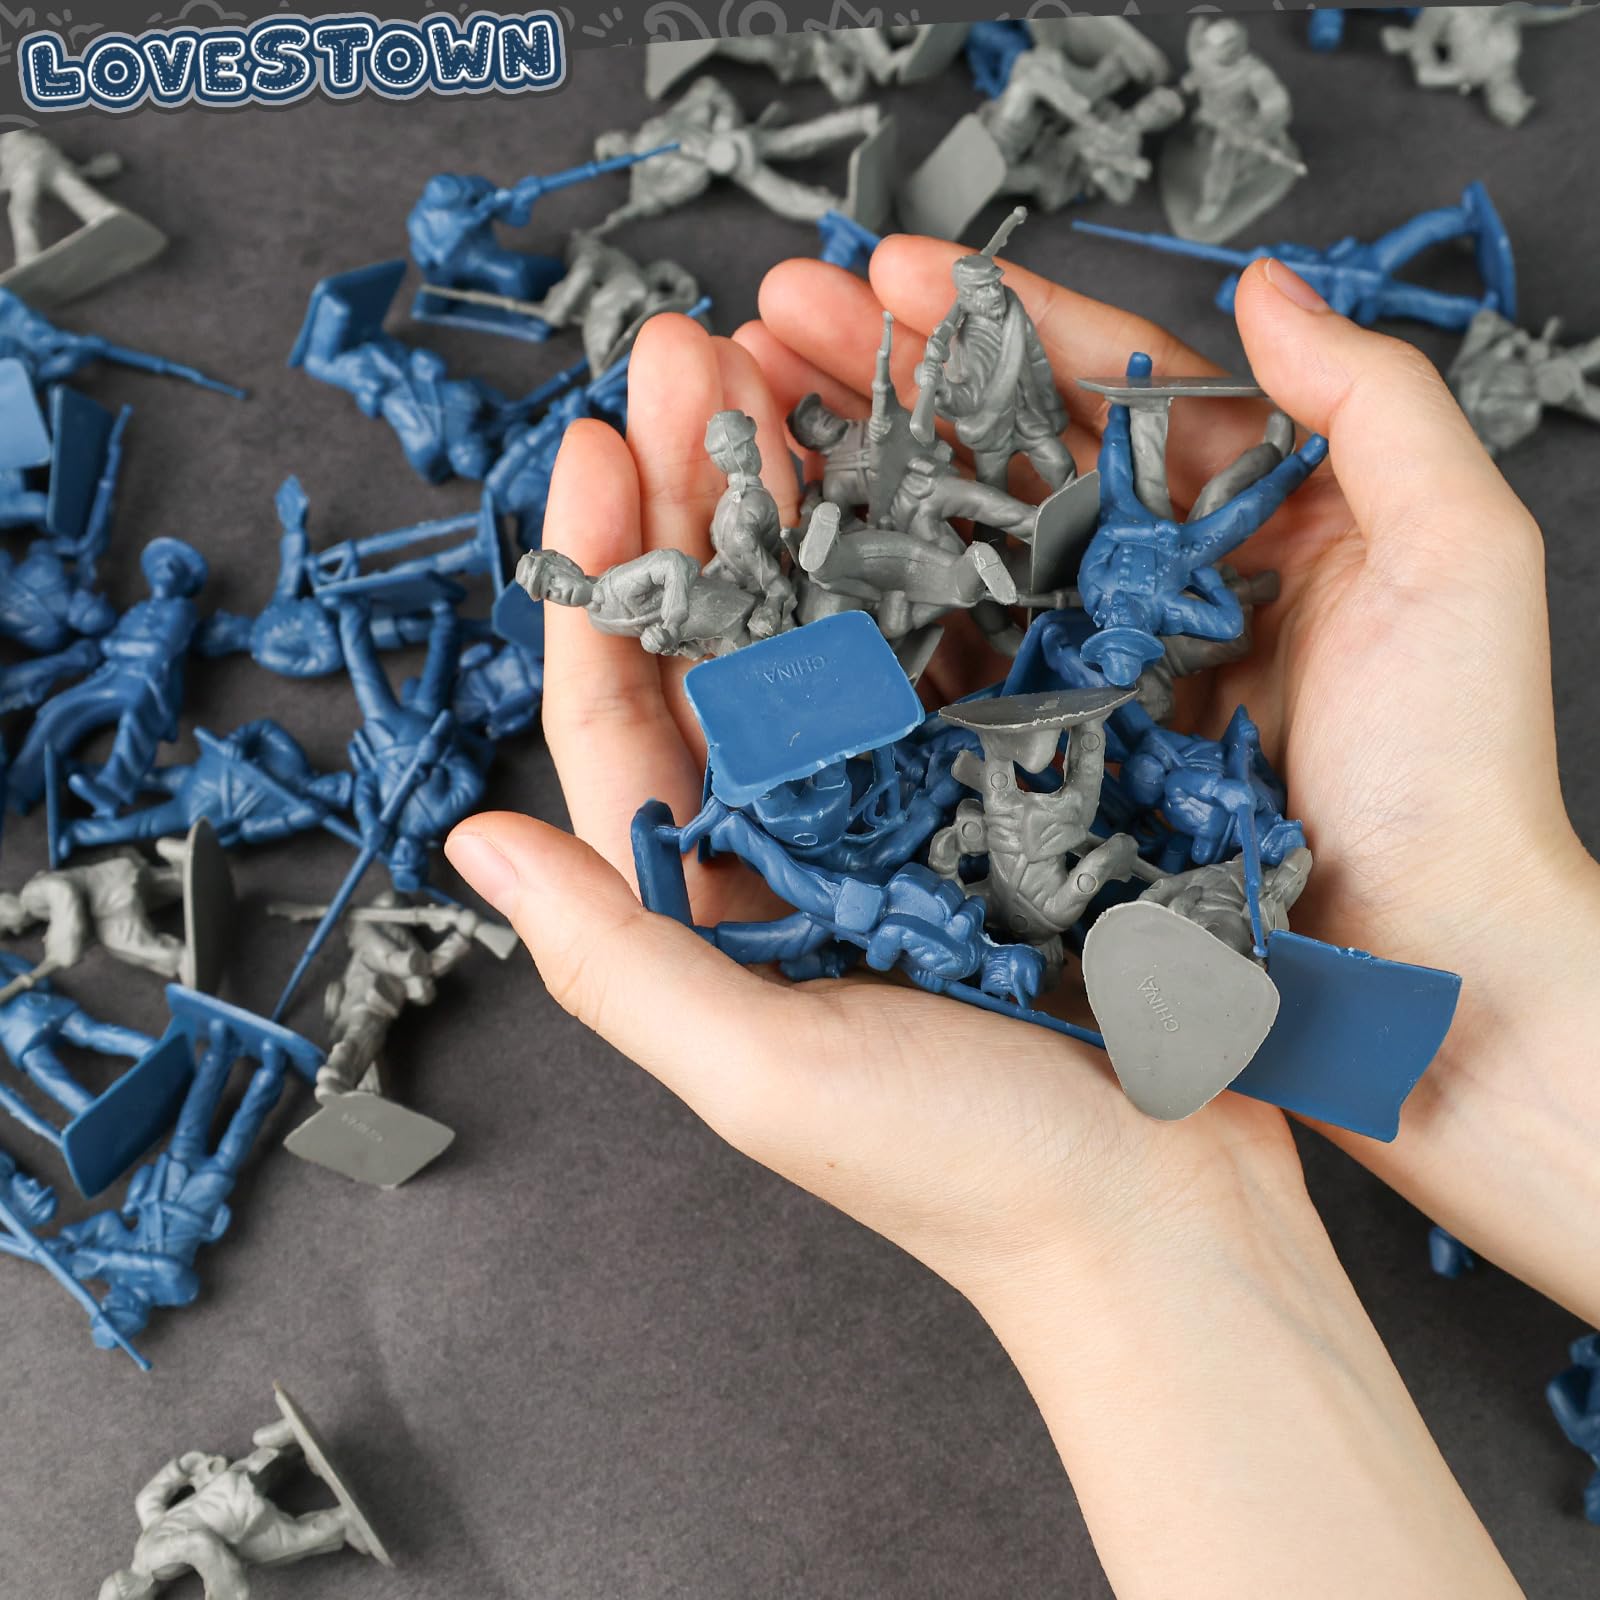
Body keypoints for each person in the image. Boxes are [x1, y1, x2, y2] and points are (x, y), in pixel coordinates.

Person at [445, 244, 1600, 1598]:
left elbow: (1090, 669)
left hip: (1027, 796)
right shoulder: (910, 774)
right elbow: (972, 758)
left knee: (1053, 565)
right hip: (937, 830)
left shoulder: (1090, 745)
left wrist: (1438, 918)